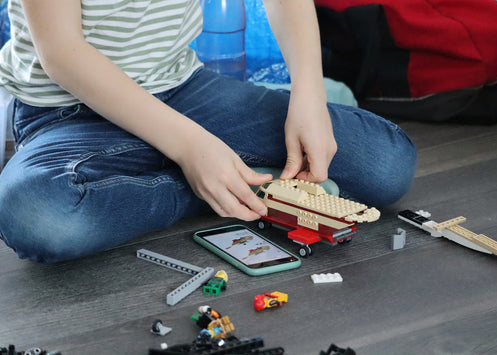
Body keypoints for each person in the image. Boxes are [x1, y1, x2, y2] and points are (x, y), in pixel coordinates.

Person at [0, 0, 416, 263]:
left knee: (386, 163)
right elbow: (61, 52)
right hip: (70, 111)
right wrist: (189, 146)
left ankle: (217, 177)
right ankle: (223, 185)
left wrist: (307, 93)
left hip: (182, 88)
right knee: (38, 216)